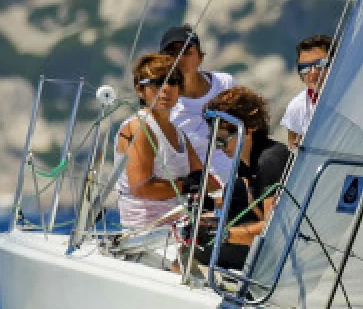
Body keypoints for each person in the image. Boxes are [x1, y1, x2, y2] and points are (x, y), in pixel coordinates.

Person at [194, 87, 291, 270]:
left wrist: (222, 234)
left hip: (281, 258)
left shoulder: (270, 161)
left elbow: (274, 229)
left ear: (250, 128)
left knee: (195, 252)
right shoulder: (245, 164)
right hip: (266, 252)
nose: (219, 147)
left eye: (223, 139)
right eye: (216, 140)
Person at [115, 53, 205, 229]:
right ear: (140, 90)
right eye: (157, 83)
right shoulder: (139, 128)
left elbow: (202, 178)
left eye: (172, 82)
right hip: (145, 233)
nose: (166, 88)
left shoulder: (179, 134)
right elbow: (141, 188)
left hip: (180, 227)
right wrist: (186, 186)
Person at [159, 25, 238, 180]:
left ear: (200, 57)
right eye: (172, 53)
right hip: (199, 191)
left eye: (186, 52)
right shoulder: (164, 105)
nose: (179, 58)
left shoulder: (225, 84)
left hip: (238, 178)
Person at [282, 34, 333, 150]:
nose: (314, 72)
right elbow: (294, 151)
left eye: (321, 64)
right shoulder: (297, 107)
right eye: (305, 67)